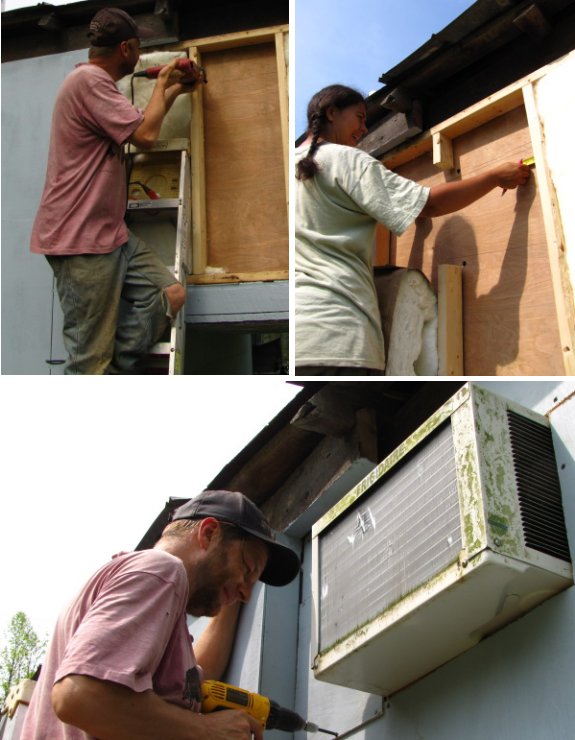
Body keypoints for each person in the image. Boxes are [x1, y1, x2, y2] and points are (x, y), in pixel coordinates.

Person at [20, 489, 301, 739]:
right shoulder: (162, 570)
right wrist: (206, 729)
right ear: (208, 533)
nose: (247, 593)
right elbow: (78, 696)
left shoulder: (146, 588)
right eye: (248, 567)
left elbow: (192, 679)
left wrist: (234, 591)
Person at [295, 84, 531, 376]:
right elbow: (428, 205)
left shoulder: (291, 168)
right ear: (332, 112)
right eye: (359, 117)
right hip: (340, 337)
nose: (364, 128)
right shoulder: (345, 160)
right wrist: (494, 176)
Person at [30, 8, 195, 374]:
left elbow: (138, 124)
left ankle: (112, 368)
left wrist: (171, 89)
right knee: (88, 360)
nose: (139, 55)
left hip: (110, 234)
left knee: (170, 293)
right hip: (80, 240)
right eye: (138, 48)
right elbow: (147, 136)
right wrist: (163, 79)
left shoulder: (93, 85)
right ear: (126, 48)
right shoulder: (89, 82)